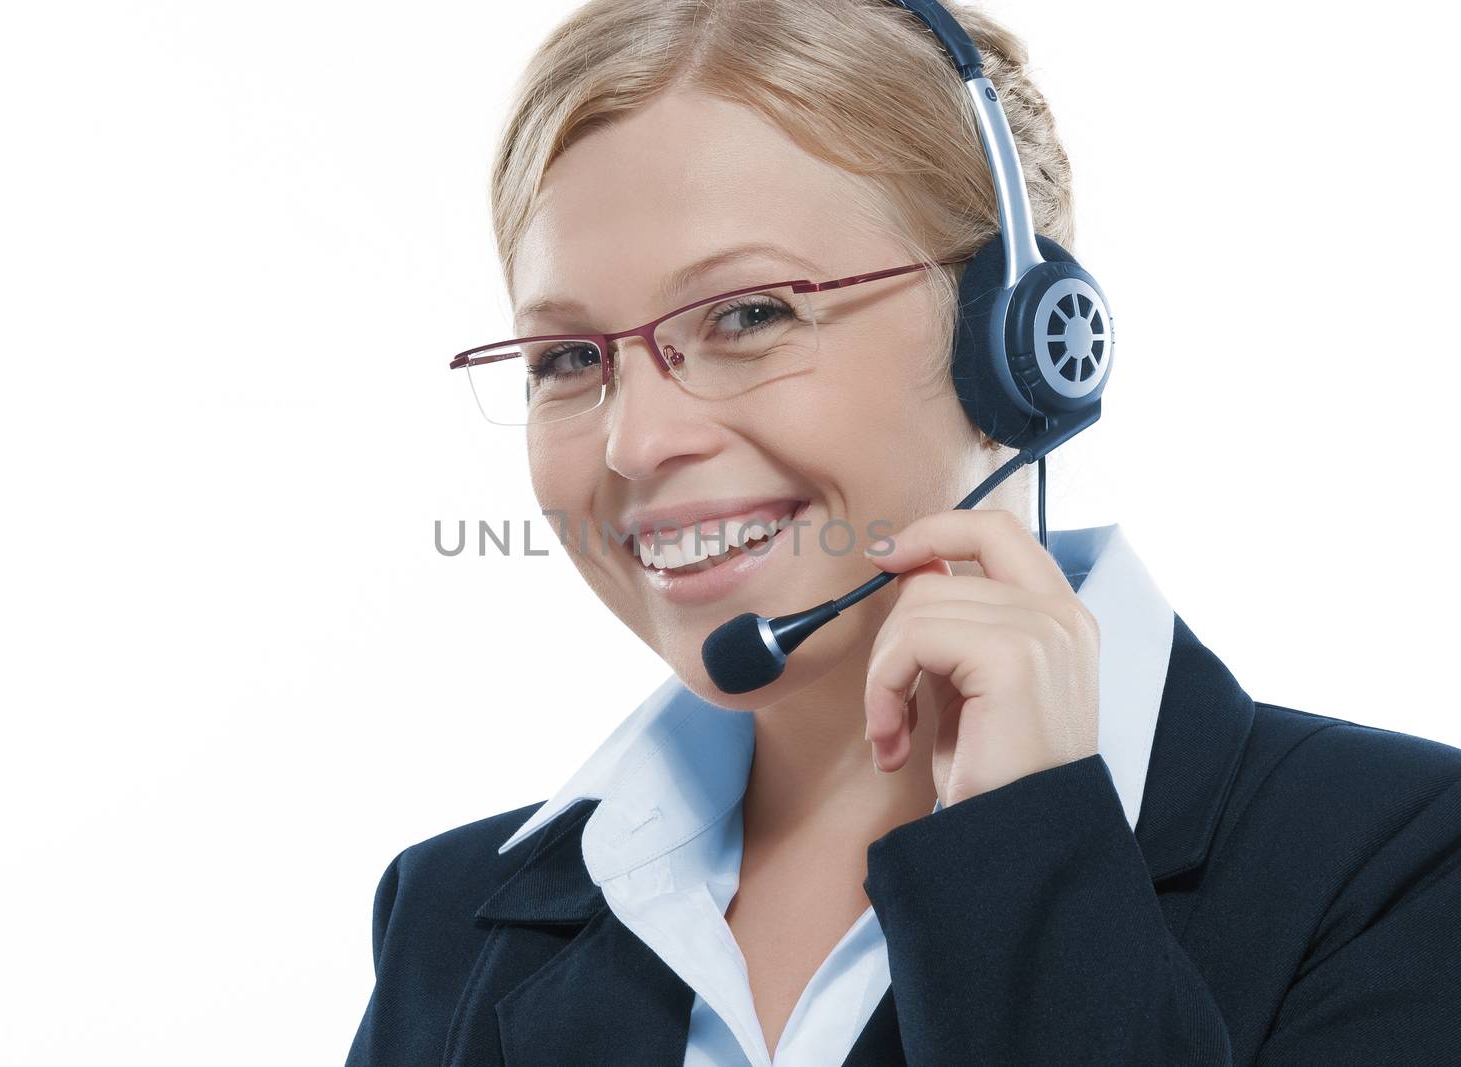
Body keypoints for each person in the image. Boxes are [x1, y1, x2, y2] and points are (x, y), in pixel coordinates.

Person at [346, 1, 1461, 1063]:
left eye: (747, 315)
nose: (637, 441)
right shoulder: (448, 922)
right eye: (569, 359)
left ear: (1020, 343)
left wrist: (1029, 857)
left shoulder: (1399, 864)